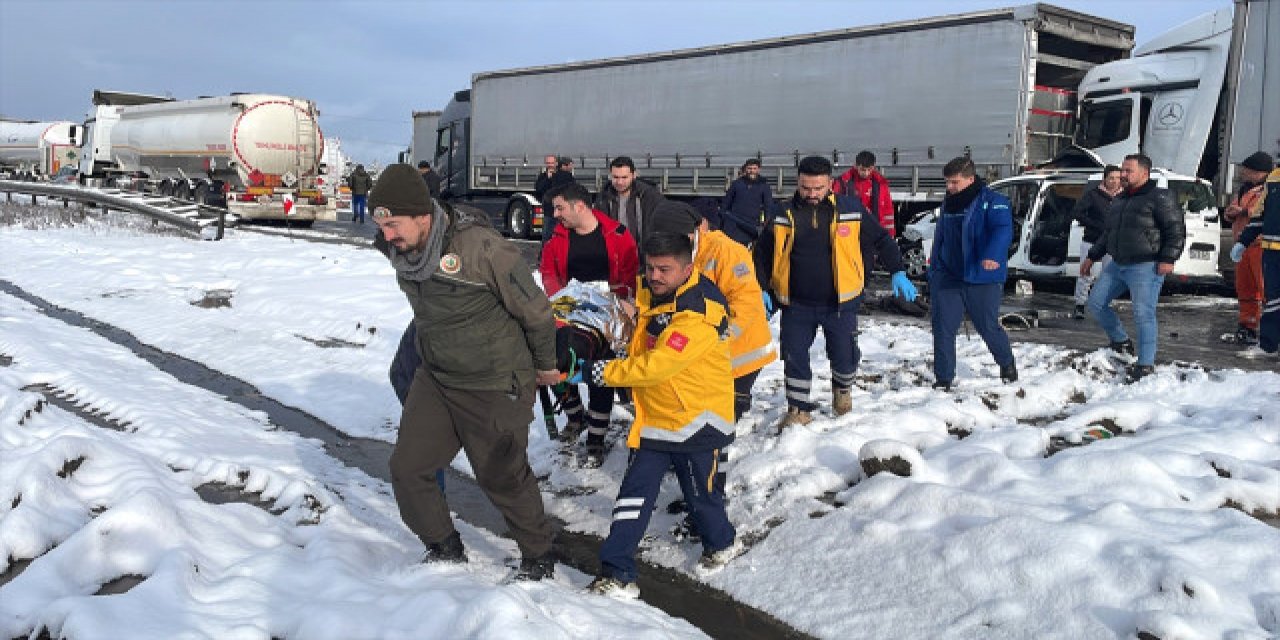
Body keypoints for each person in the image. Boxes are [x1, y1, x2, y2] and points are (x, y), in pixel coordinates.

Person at [369, 163, 560, 581]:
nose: (387, 236)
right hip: (437, 376)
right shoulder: (398, 247)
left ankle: (539, 557)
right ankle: (444, 548)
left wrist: (546, 366)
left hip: (494, 380)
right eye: (381, 225)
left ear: (424, 215)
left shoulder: (483, 249)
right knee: (408, 468)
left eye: (394, 224)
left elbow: (537, 312)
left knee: (502, 475)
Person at [577, 231, 740, 598]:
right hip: (658, 421)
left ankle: (722, 544)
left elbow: (657, 366)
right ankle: (616, 572)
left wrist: (597, 372)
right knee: (633, 496)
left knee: (703, 500)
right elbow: (642, 343)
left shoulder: (698, 314)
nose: (654, 276)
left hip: (700, 424)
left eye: (664, 269)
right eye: (650, 268)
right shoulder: (657, 293)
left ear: (687, 269)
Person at [753, 155, 916, 431]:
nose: (812, 194)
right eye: (806, 188)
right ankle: (798, 409)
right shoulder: (781, 213)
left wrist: (897, 270)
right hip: (796, 304)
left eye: (818, 188)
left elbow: (882, 240)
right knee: (794, 357)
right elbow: (762, 254)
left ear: (830, 183)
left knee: (844, 355)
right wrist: (762, 288)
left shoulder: (851, 209)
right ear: (798, 183)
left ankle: (842, 391)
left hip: (839, 304)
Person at [539, 182, 639, 465]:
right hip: (568, 316)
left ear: (578, 205)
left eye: (560, 207)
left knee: (601, 376)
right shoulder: (556, 239)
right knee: (555, 364)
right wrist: (560, 301)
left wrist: (624, 307)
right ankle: (575, 415)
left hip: (608, 319)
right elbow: (549, 273)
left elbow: (630, 277)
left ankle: (597, 436)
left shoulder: (618, 236)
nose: (556, 214)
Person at [1080, 153, 1186, 382]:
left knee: (1143, 313)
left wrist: (1169, 258)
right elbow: (1108, 233)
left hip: (1146, 265)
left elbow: (1175, 230)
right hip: (1118, 264)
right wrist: (1092, 257)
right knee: (1096, 303)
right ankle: (1120, 340)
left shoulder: (1160, 197)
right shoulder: (1119, 200)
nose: (1123, 175)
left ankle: (1146, 364)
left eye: (1128, 171)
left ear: (1144, 173)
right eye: (1122, 170)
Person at [927, 157, 1018, 391]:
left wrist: (993, 255)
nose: (950, 188)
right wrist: (934, 266)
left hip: (982, 276)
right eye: (947, 182)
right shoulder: (949, 204)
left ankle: (1007, 364)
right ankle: (944, 378)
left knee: (987, 326)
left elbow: (1002, 230)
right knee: (943, 327)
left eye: (955, 182)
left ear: (970, 179)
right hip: (949, 276)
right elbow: (941, 237)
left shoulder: (995, 201)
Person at [1223, 152, 1274, 345]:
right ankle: (1247, 325)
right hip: (1243, 245)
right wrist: (1230, 213)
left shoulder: (1270, 189)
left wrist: (1244, 211)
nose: (1243, 172)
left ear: (1258, 171)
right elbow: (1235, 208)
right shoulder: (1243, 189)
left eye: (1247, 169)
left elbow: (1269, 212)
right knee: (1246, 289)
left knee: (1267, 290)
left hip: (1262, 245)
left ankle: (1272, 329)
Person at [1233, 161, 1280, 359]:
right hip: (1271, 249)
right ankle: (1268, 346)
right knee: (1272, 300)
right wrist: (1243, 241)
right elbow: (1260, 214)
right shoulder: (1274, 177)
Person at [1068, 165, 1123, 318]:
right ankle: (1080, 304)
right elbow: (1077, 213)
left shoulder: (1123, 197)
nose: (1115, 181)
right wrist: (1094, 224)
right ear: (1105, 179)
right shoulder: (1093, 195)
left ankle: (1106, 303)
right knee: (1086, 273)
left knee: (1110, 273)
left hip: (1112, 242)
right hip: (1092, 239)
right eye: (1111, 178)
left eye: (1118, 178)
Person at [594, 156, 665, 247]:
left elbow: (664, 221)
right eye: (615, 177)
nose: (620, 182)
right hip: (614, 252)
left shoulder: (649, 195)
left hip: (643, 253)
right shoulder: (603, 198)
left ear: (634, 175)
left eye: (624, 177)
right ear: (610, 175)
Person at [833, 151, 896, 237]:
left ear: (874, 166)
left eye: (869, 169)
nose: (866, 173)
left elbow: (888, 210)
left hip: (874, 230)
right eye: (863, 170)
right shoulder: (843, 182)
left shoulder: (881, 183)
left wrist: (890, 235)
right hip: (850, 231)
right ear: (855, 166)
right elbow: (835, 207)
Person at [719, 158, 773, 246]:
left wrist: (767, 224)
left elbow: (768, 206)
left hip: (751, 226)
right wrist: (723, 218)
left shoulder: (764, 186)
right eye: (749, 168)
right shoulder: (737, 184)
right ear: (745, 169)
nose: (752, 171)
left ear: (759, 170)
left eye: (754, 168)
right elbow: (726, 203)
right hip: (734, 226)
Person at [540, 156, 578, 243]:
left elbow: (539, 189)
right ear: (564, 166)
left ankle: (545, 254)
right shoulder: (568, 177)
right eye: (570, 165)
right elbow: (573, 192)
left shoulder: (549, 175)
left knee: (548, 236)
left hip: (550, 211)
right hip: (562, 210)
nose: (571, 168)